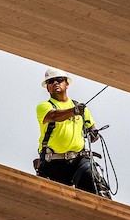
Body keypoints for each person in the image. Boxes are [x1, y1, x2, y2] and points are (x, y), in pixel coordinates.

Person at [33, 68, 109, 196]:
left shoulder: (80, 108)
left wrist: (93, 134)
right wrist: (74, 111)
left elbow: (92, 128)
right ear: (48, 88)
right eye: (51, 81)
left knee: (97, 185)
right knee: (60, 200)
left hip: (79, 159)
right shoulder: (45, 107)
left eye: (59, 80)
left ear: (66, 84)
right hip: (55, 162)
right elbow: (55, 116)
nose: (55, 83)